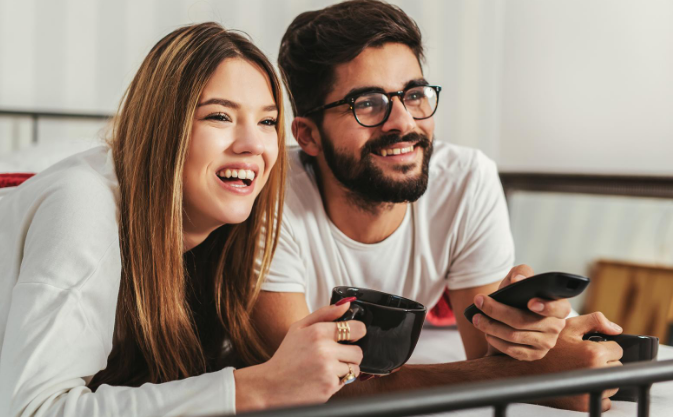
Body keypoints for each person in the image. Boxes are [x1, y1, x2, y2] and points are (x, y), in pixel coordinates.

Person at [0, 23, 367, 416]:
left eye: (268, 121)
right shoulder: (82, 205)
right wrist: (257, 389)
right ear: (164, 128)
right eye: (219, 116)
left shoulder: (223, 236)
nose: (253, 144)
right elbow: (39, 408)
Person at [253, 0, 623, 411]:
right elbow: (303, 383)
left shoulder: (466, 180)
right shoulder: (269, 193)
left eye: (413, 95)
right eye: (368, 103)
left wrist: (525, 338)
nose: (405, 122)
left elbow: (484, 356)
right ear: (308, 136)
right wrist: (525, 377)